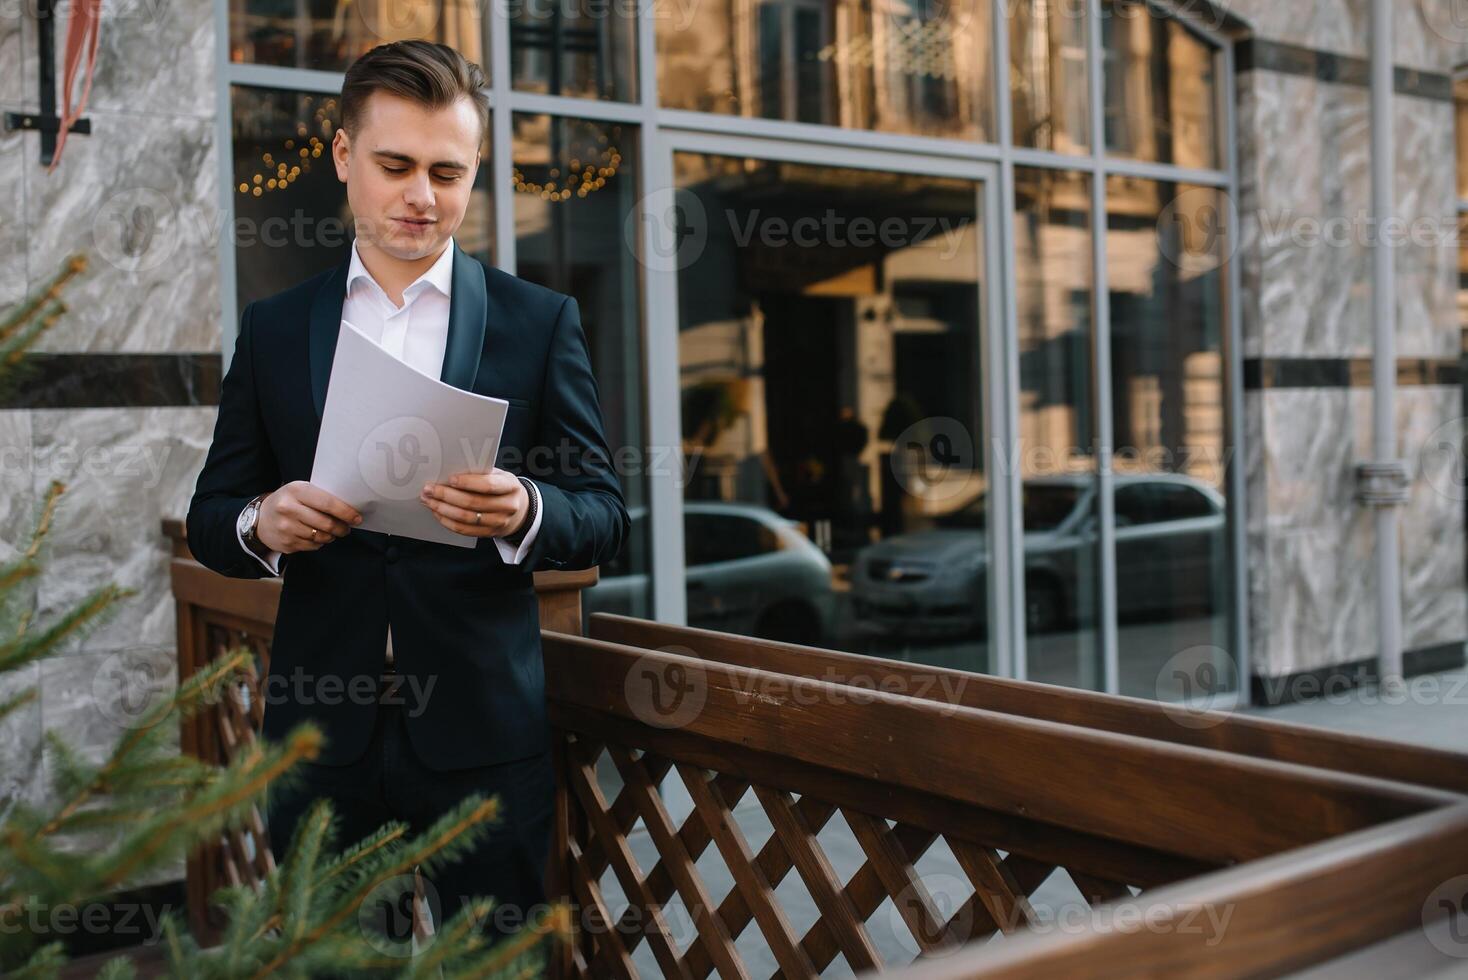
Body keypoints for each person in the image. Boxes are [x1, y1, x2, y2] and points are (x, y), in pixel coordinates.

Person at [185, 39, 628, 948]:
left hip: (484, 739)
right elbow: (209, 519)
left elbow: (604, 515)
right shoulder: (274, 328)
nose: (422, 196)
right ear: (345, 157)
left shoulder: (540, 321)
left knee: (498, 967)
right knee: (339, 968)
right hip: (320, 740)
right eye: (395, 166)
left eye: (447, 171)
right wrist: (262, 522)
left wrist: (526, 510)